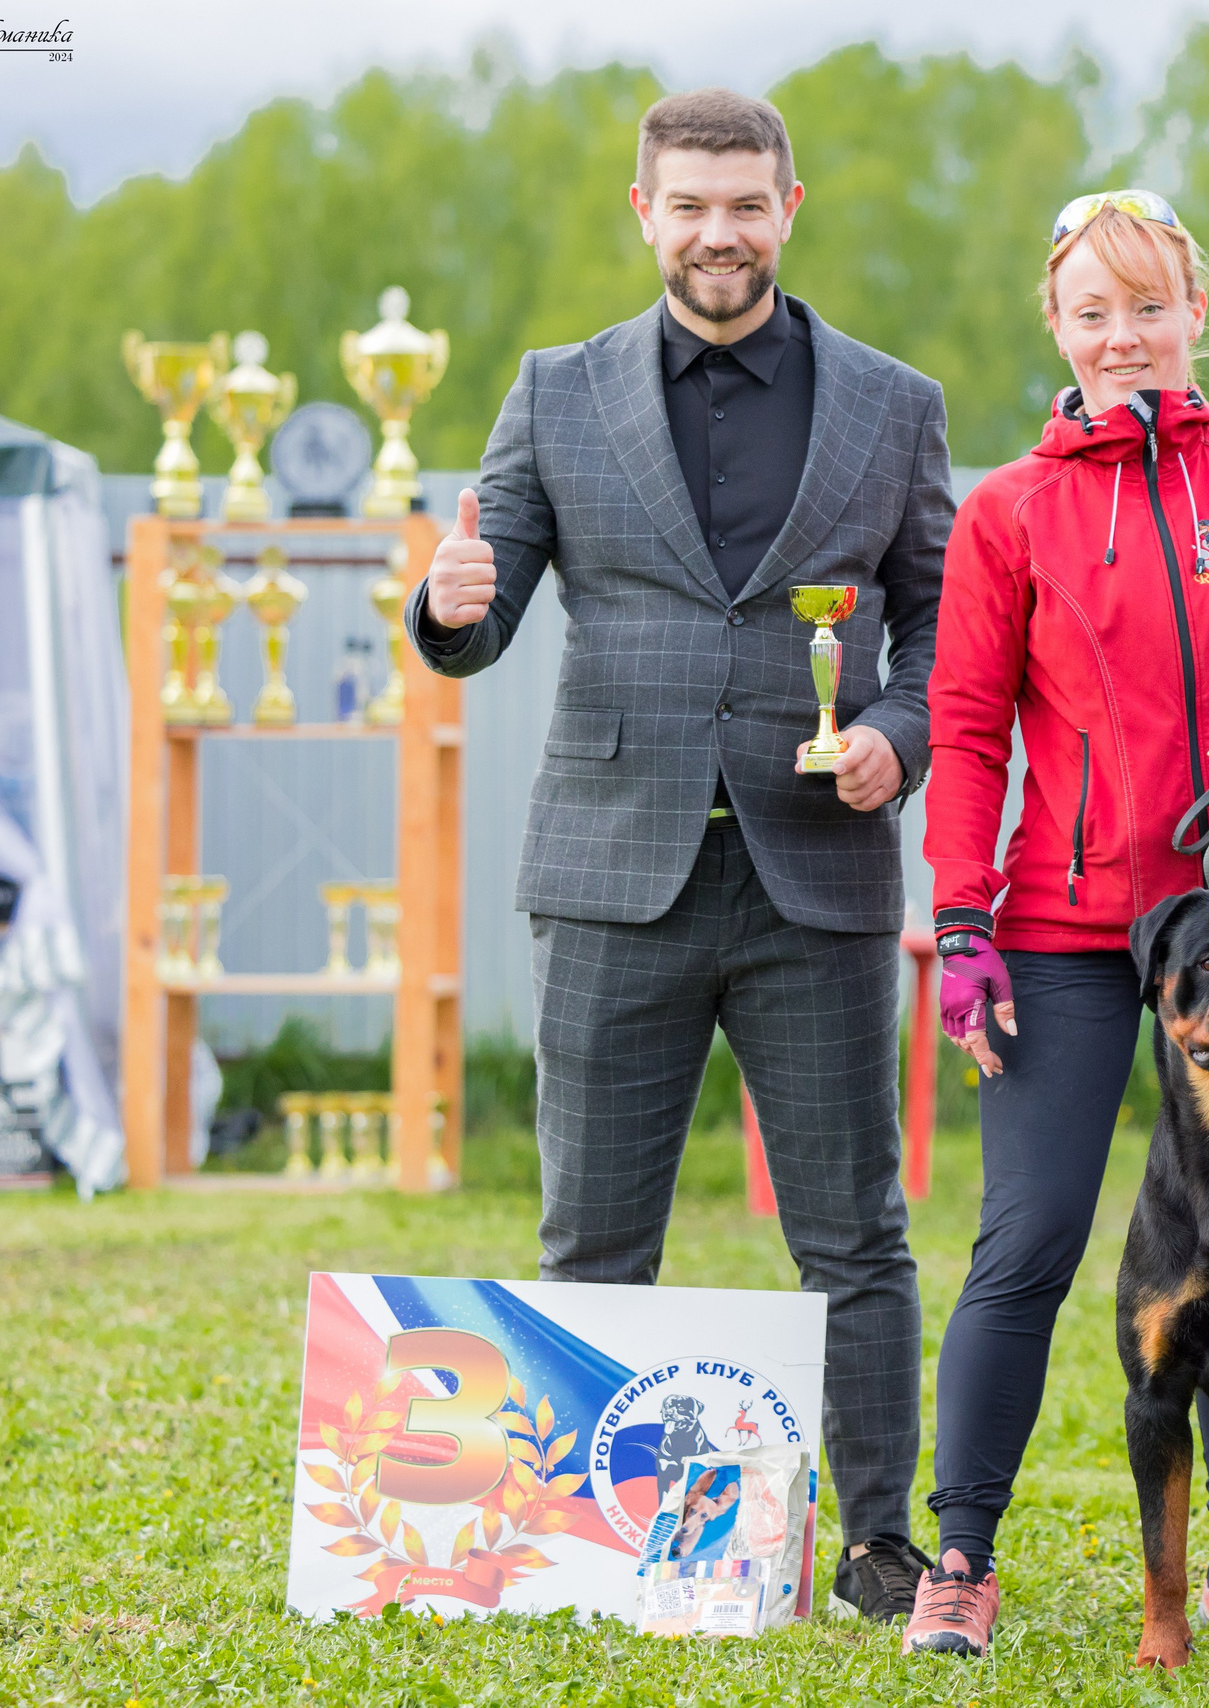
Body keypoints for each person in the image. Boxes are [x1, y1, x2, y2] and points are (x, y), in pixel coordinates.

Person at [409, 87, 950, 1624]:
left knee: (855, 1235)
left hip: (816, 879)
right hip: (608, 878)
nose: (721, 232)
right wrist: (447, 603)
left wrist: (895, 735)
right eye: (691, 205)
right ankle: (585, 1543)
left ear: (791, 208)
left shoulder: (893, 404)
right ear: (645, 213)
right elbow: (483, 613)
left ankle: (879, 1544)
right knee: (592, 1233)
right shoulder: (554, 391)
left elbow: (942, 627)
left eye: (746, 204)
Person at [904, 190, 1209, 1657]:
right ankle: (960, 1559)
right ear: (1057, 326)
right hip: (1058, 927)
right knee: (1030, 1237)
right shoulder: (1007, 511)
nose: (1125, 336)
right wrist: (962, 921)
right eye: (1094, 311)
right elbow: (966, 729)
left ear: (1194, 312)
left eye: (1150, 306)